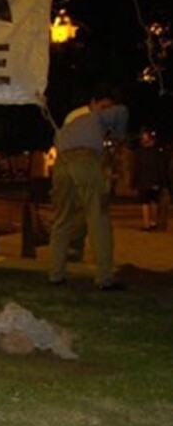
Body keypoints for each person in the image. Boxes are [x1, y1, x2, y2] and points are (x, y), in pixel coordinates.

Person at [48, 89, 129, 290]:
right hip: (85, 162)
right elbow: (123, 112)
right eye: (104, 106)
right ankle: (104, 278)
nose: (106, 111)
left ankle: (55, 275)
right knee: (98, 217)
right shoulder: (97, 117)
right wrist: (118, 136)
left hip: (61, 164)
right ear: (93, 104)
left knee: (62, 220)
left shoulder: (72, 121)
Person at [132, 128, 169, 231]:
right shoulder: (157, 153)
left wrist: (134, 183)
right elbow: (161, 168)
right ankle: (153, 222)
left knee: (145, 203)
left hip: (144, 182)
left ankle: (147, 224)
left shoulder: (139, 153)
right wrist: (164, 182)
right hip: (155, 181)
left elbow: (136, 169)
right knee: (154, 202)